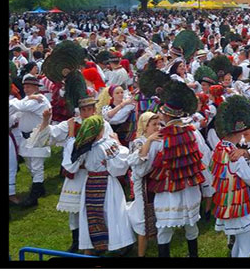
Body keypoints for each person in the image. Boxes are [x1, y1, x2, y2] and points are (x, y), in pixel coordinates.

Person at [141, 81, 212, 258]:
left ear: (165, 116)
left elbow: (146, 165)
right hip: (190, 188)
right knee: (191, 226)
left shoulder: (160, 138)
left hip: (168, 190)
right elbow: (204, 155)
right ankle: (193, 256)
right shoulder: (193, 132)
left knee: (164, 230)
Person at [61, 115, 135, 255]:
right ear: (100, 129)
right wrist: (118, 142)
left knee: (90, 215)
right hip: (107, 184)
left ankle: (90, 247)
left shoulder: (82, 147)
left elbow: (70, 165)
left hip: (90, 184)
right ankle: (117, 244)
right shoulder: (108, 145)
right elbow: (121, 163)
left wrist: (71, 137)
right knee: (113, 212)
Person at [211, 95, 250, 257]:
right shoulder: (234, 154)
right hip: (239, 206)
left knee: (240, 243)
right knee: (245, 245)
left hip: (228, 203)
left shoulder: (219, 148)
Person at [9, 74, 52, 204]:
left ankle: (34, 197)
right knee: (30, 165)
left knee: (36, 165)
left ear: (36, 87)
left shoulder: (39, 100)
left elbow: (20, 106)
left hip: (38, 136)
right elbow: (19, 111)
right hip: (27, 136)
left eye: (28, 87)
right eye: (25, 87)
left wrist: (26, 98)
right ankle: (40, 188)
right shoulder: (30, 99)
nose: (26, 89)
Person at [126, 112, 161, 257]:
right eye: (153, 125)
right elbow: (136, 162)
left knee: (157, 214)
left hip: (156, 182)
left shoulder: (158, 140)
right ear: (145, 127)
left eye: (158, 124)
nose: (157, 127)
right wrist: (149, 141)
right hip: (143, 184)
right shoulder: (138, 142)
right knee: (142, 218)